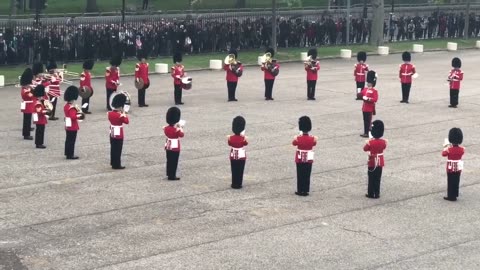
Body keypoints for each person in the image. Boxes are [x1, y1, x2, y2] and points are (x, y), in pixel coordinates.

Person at [292, 116, 318, 196]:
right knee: (307, 173)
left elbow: (293, 143)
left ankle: (300, 190)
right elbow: (314, 144)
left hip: (300, 157)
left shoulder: (298, 138)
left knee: (300, 173)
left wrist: (295, 137)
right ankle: (306, 190)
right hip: (309, 157)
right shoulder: (312, 138)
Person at [363, 120, 387, 199]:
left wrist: (368, 142)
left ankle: (371, 193)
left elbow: (365, 149)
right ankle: (377, 193)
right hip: (380, 162)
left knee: (371, 178)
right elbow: (384, 147)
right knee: (377, 178)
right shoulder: (383, 142)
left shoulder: (371, 142)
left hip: (372, 161)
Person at [442, 128, 465, 201]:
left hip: (450, 167)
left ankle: (451, 196)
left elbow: (443, 154)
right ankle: (455, 194)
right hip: (458, 167)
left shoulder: (449, 149)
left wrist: (446, 147)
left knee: (450, 181)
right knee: (456, 180)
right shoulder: (462, 149)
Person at [109, 93, 130, 169]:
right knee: (118, 149)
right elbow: (127, 121)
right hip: (118, 133)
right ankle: (117, 164)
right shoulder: (120, 115)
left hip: (112, 131)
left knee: (113, 148)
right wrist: (123, 112)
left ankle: (112, 162)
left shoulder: (110, 113)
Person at [164, 107, 184, 180]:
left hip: (168, 144)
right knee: (174, 161)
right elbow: (182, 135)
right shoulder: (176, 130)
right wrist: (180, 127)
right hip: (175, 145)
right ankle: (172, 175)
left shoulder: (166, 128)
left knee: (169, 160)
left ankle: (169, 173)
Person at [64, 86, 84, 160]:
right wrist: (78, 115)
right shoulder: (72, 107)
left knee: (68, 139)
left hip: (67, 124)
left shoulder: (66, 106)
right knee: (71, 140)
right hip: (72, 126)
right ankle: (70, 154)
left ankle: (67, 153)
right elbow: (73, 117)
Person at [228, 116, 248, 189]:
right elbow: (245, 143)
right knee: (240, 169)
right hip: (241, 154)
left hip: (233, 154)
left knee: (234, 169)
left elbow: (229, 143)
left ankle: (234, 183)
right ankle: (239, 183)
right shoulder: (243, 138)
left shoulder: (231, 138)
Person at [360, 71, 379, 138]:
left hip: (370, 108)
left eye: (369, 83)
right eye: (368, 83)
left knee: (369, 121)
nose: (368, 84)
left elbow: (375, 99)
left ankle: (369, 133)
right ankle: (365, 132)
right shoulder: (365, 89)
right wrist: (359, 93)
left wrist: (368, 99)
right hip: (364, 108)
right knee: (365, 121)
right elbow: (360, 95)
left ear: (372, 84)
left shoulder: (374, 91)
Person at [20, 68, 35, 140]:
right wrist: (33, 89)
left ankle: (27, 131)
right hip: (27, 106)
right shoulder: (26, 91)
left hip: (28, 106)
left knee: (27, 120)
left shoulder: (25, 89)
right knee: (27, 121)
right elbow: (32, 96)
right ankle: (26, 135)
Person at [32, 84, 48, 149]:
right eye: (41, 96)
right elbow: (40, 112)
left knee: (40, 131)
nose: (42, 97)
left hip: (41, 119)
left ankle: (39, 143)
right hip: (40, 119)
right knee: (40, 132)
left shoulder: (39, 101)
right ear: (39, 96)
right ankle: (39, 143)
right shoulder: (38, 103)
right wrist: (46, 111)